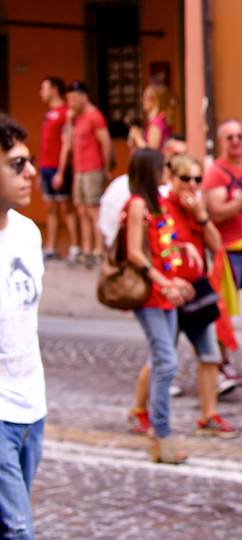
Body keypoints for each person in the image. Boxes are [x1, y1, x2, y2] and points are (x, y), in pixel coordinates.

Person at [122, 149, 197, 463]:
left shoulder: (156, 204)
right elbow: (135, 254)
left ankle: (158, 433)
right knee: (166, 363)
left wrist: (183, 247)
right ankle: (160, 436)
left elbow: (160, 245)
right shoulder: (138, 204)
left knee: (162, 360)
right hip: (151, 296)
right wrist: (165, 283)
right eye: (162, 167)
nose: (166, 171)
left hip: (164, 295)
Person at [161, 153, 241, 438]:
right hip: (170, 293)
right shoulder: (162, 207)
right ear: (171, 178)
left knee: (209, 356)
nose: (192, 184)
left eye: (197, 179)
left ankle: (208, 416)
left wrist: (201, 216)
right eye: (186, 178)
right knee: (161, 357)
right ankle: (141, 411)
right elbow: (159, 247)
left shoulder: (195, 208)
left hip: (196, 291)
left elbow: (216, 244)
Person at [0, 112, 45, 540]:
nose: (30, 171)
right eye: (16, 164)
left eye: (29, 161)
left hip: (32, 409)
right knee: (19, 531)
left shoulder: (28, 233)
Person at [203, 119, 242, 392]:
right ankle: (222, 363)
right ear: (222, 141)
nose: (236, 141)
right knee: (224, 309)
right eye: (230, 137)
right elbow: (217, 212)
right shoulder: (215, 173)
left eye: (240, 135)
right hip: (227, 251)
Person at [57, 81, 112, 267]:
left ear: (84, 97)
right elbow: (68, 143)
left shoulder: (95, 116)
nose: (70, 103)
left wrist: (107, 168)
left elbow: (105, 143)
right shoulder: (77, 118)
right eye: (68, 100)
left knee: (92, 209)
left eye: (73, 99)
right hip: (79, 170)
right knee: (81, 210)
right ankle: (86, 250)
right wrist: (69, 120)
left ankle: (99, 250)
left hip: (93, 169)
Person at [37, 77, 80, 261]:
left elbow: (67, 144)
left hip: (58, 167)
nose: (41, 92)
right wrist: (40, 171)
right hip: (45, 167)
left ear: (54, 90)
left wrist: (61, 172)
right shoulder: (49, 113)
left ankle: (75, 247)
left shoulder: (65, 113)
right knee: (50, 208)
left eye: (44, 88)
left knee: (66, 207)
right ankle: (51, 248)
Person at [128, 82, 173, 151]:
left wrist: (137, 137)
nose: (142, 100)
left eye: (145, 98)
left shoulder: (156, 122)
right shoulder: (162, 118)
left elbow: (151, 152)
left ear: (154, 101)